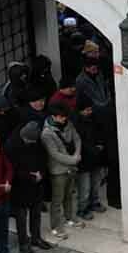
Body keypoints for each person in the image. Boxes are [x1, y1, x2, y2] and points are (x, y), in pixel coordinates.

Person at [74, 42, 121, 209]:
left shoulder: (99, 75)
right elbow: (94, 101)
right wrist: (101, 107)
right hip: (99, 124)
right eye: (92, 68)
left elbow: (104, 92)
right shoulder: (82, 83)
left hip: (106, 118)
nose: (95, 70)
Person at [7, 121, 53, 253]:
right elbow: (12, 170)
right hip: (20, 188)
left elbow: (44, 159)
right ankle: (23, 244)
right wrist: (30, 176)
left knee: (36, 214)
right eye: (28, 140)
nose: (30, 143)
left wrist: (41, 174)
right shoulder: (11, 145)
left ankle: (36, 238)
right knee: (21, 218)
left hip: (36, 185)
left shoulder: (36, 142)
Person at [41, 102, 81, 239]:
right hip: (58, 170)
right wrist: (74, 160)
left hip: (71, 166)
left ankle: (70, 218)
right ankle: (56, 227)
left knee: (70, 195)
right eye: (62, 117)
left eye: (65, 117)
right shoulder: (47, 133)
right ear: (54, 116)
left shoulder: (68, 124)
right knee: (57, 200)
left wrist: (77, 154)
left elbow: (77, 138)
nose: (64, 119)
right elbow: (54, 154)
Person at [75, 102, 106, 220]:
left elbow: (100, 134)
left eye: (90, 109)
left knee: (95, 183)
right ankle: (82, 209)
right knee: (84, 187)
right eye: (86, 110)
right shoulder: (76, 123)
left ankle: (94, 202)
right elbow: (79, 142)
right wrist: (94, 149)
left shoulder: (94, 120)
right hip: (84, 160)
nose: (89, 112)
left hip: (96, 158)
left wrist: (99, 145)